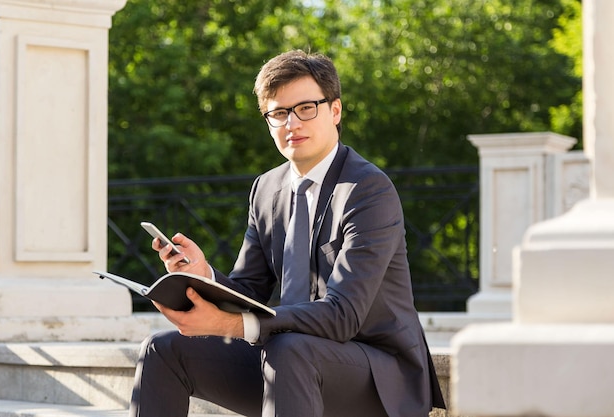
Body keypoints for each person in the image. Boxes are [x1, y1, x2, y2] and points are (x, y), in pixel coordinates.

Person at [129, 49, 445, 417]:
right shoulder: (266, 189)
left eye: (306, 108)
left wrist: (232, 324)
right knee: (162, 349)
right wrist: (204, 275)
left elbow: (343, 315)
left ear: (335, 111)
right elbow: (249, 291)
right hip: (291, 361)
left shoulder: (367, 189)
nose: (292, 123)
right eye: (278, 114)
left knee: (289, 349)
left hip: (377, 375)